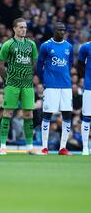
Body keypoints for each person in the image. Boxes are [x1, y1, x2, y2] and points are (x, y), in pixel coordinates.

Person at [0, 17, 39, 155]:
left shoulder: (31, 45)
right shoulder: (8, 44)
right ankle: (2, 145)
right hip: (12, 84)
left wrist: (28, 75)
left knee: (28, 114)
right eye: (20, 27)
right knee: (7, 112)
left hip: (27, 84)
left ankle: (29, 147)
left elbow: (34, 63)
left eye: (25, 27)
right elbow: (0, 65)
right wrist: (7, 80)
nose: (23, 30)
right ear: (14, 29)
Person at [37, 22, 74, 156]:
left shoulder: (69, 46)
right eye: (59, 29)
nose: (62, 32)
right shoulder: (46, 46)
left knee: (67, 115)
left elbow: (70, 64)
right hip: (51, 85)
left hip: (66, 85)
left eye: (64, 30)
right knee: (47, 114)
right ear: (54, 30)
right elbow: (39, 65)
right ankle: (44, 147)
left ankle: (62, 148)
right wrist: (44, 80)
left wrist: (65, 76)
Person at [77, 38, 91, 155]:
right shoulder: (86, 47)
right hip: (89, 87)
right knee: (87, 116)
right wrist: (84, 79)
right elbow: (80, 65)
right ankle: (85, 147)